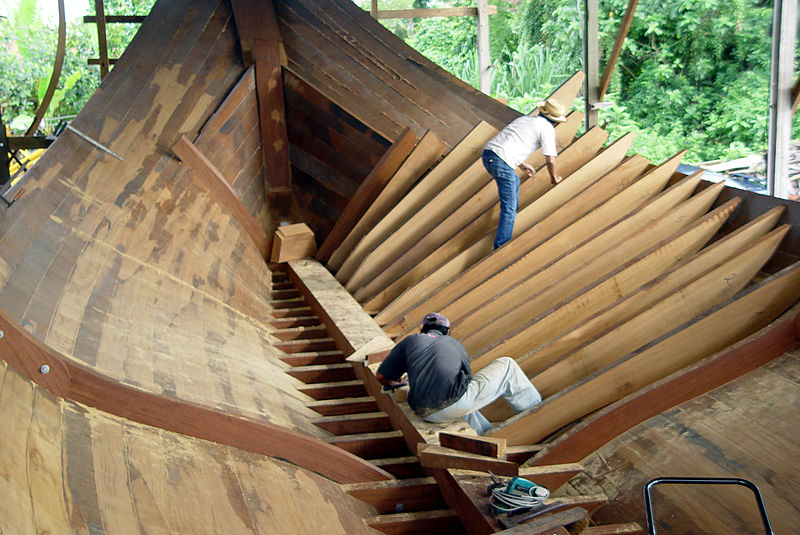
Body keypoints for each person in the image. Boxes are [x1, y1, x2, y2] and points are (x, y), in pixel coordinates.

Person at [376, 312, 541, 435]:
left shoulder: (411, 340)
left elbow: (382, 377)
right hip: (452, 405)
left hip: (422, 411)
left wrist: (398, 384)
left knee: (460, 399)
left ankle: (485, 434)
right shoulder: (453, 343)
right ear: (448, 332)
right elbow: (465, 381)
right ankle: (536, 414)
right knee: (507, 365)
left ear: (422, 329)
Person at [482, 98, 567, 249]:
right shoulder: (547, 129)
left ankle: (501, 241)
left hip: (489, 155)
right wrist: (555, 178)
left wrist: (520, 163)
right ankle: (501, 248)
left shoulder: (524, 119)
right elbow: (550, 160)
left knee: (514, 180)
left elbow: (508, 142)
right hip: (501, 161)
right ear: (556, 122)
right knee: (509, 208)